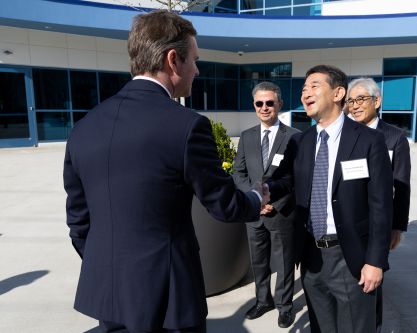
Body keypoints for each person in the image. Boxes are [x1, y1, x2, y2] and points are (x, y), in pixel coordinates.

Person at [63, 10, 268, 333]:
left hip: (109, 295)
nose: (197, 70)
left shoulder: (83, 128)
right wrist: (256, 198)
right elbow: (223, 204)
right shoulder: (187, 126)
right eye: (195, 60)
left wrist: (109, 264)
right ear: (173, 60)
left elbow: (78, 221)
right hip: (168, 300)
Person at [268, 65, 394, 333]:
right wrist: (261, 192)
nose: (305, 93)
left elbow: (381, 206)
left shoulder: (370, 140)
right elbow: (285, 181)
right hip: (311, 256)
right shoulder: (300, 142)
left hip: (351, 257)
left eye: (314, 86)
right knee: (321, 327)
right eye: (303, 88)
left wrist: (375, 261)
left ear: (338, 93)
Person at [232, 82, 300, 328]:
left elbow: (295, 178)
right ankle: (263, 301)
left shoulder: (294, 137)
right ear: (254, 105)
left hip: (281, 212)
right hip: (254, 212)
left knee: (283, 263)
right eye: (259, 103)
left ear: (279, 104)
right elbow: (238, 173)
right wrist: (254, 200)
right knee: (258, 260)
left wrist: (273, 201)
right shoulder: (248, 136)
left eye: (269, 103)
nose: (264, 108)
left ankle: (285, 306)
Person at [346, 77, 411, 332]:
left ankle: (373, 325)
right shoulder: (345, 133)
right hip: (349, 217)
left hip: (379, 221)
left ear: (377, 101)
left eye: (361, 99)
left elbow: (402, 185)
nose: (355, 105)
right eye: (351, 101)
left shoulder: (394, 138)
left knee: (372, 281)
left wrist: (397, 227)